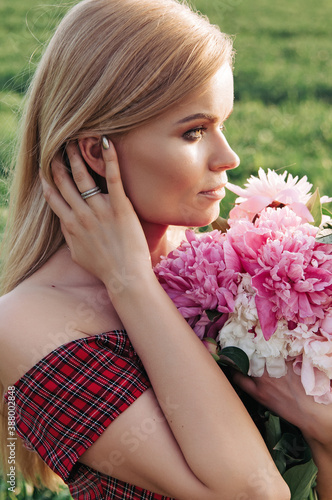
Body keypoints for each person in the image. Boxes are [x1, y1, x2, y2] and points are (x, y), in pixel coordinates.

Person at [0, 0, 331, 498]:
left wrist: (324, 436)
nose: (229, 156)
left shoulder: (221, 261)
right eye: (194, 131)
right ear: (96, 150)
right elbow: (254, 493)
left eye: (223, 123)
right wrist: (129, 280)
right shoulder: (25, 325)